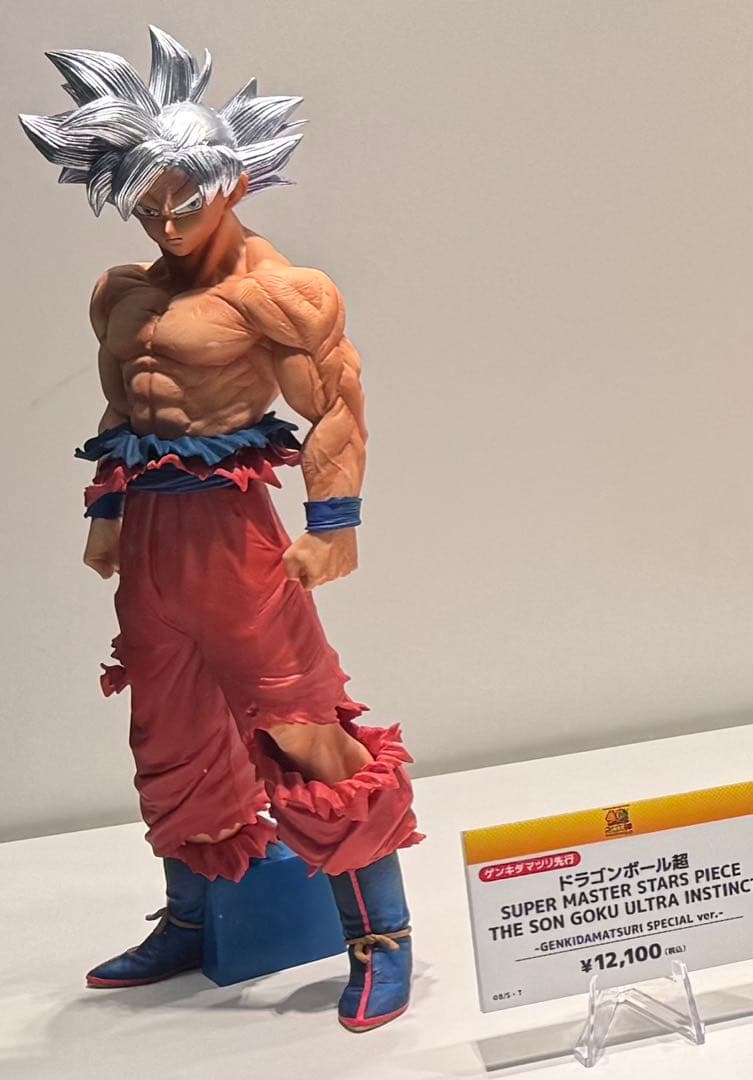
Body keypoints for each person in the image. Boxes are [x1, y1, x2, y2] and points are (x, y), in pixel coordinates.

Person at [20, 24, 423, 1033]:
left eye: (185, 201)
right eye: (147, 204)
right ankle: (195, 919)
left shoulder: (276, 293)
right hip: (151, 543)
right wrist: (108, 511)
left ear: (233, 181)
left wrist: (333, 523)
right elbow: (123, 410)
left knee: (302, 726)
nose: (166, 222)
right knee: (170, 734)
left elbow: (335, 403)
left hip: (236, 544)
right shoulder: (121, 293)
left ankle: (381, 938)